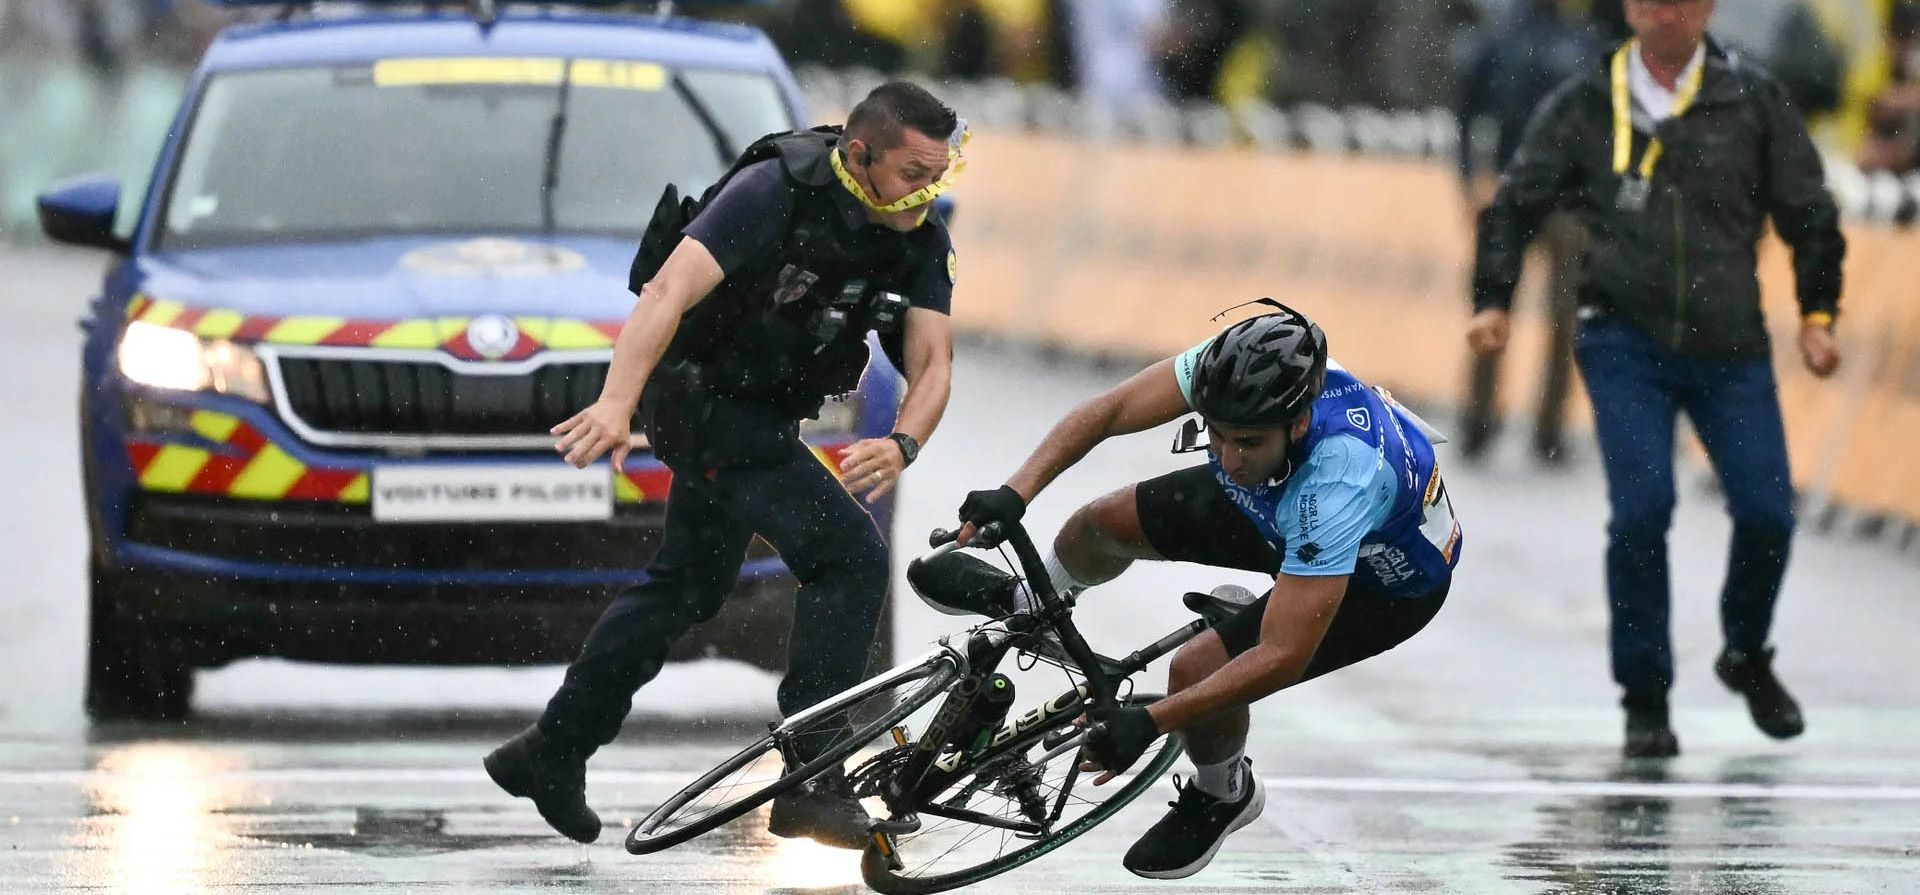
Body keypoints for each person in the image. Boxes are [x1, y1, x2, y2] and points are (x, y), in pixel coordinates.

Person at [484, 81, 965, 849]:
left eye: (941, 175)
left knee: (686, 584)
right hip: (700, 400)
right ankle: (814, 774)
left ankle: (552, 750)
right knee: (848, 558)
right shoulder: (777, 188)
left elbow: (933, 357)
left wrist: (904, 440)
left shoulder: (916, 232)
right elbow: (667, 291)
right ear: (860, 155)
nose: (928, 193)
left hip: (764, 411)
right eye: (913, 174)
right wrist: (615, 403)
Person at [917, 303, 1461, 880]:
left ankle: (1224, 793)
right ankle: (1034, 609)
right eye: (1218, 435)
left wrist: (1150, 724)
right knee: (1100, 523)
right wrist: (1015, 493)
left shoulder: (1340, 478)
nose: (1229, 457)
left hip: (1381, 581)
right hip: (1281, 503)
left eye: (1247, 441)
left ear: (1298, 421)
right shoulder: (1234, 376)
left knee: (1196, 671)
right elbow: (1111, 410)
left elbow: (1281, 656)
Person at [1467, 0, 1845, 758]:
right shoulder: (1584, 101)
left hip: (1730, 346)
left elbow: (1808, 208)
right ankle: (1645, 696)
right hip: (1623, 340)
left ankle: (1746, 652)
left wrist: (1818, 312)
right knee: (1643, 511)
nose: (1662, 9)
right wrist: (1494, 299)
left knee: (1768, 512)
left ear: (1708, 7)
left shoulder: (1752, 100)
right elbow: (1515, 204)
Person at [1454, 0, 1600, 463]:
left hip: (1567, 202)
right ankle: (1477, 422)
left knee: (1566, 319)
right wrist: (1469, 177)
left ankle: (1550, 432)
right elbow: (1465, 110)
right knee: (1492, 310)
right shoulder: (1501, 37)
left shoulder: (1581, 41)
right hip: (1509, 190)